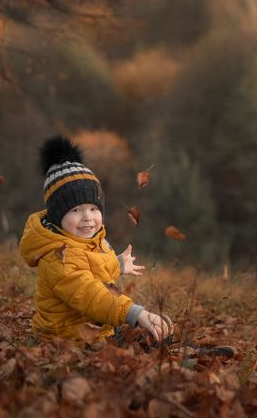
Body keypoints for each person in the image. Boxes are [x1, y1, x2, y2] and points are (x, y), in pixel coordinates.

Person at [19, 135, 172, 343]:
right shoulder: (57, 256)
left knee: (142, 337)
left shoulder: (88, 240)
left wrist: (117, 264)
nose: (88, 217)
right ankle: (148, 341)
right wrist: (135, 313)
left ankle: (160, 339)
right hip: (67, 336)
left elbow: (90, 267)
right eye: (76, 210)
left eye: (93, 208)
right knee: (133, 342)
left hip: (93, 326)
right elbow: (90, 294)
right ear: (57, 215)